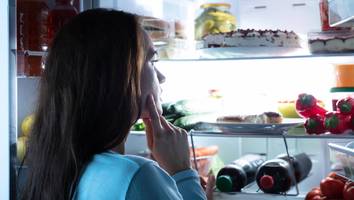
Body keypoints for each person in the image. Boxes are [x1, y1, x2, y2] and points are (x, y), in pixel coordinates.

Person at [20, 8, 215, 200]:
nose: (161, 77)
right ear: (119, 76)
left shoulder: (55, 165)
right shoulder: (137, 176)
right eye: (151, 60)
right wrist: (182, 172)